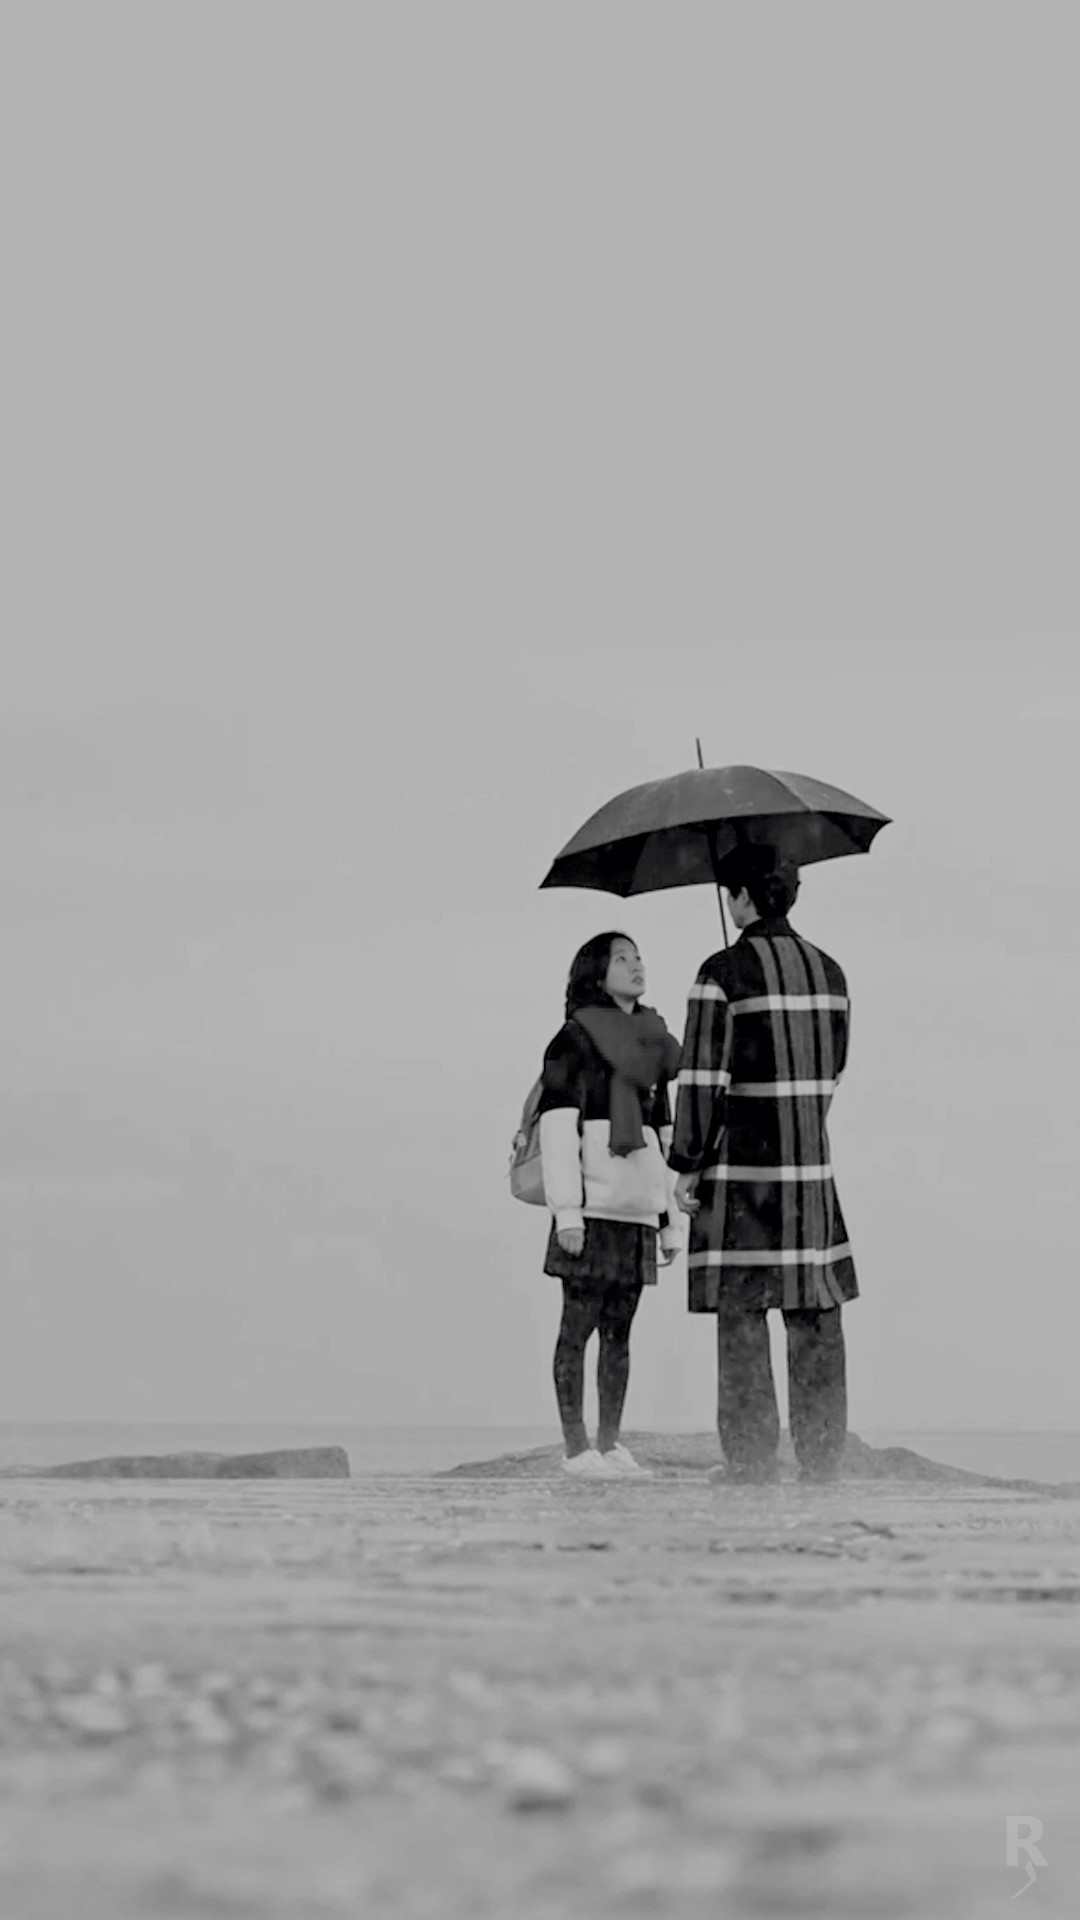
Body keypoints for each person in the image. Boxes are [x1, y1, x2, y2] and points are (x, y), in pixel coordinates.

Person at [669, 849, 856, 1484]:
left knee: (742, 1313)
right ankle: (822, 1455)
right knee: (815, 1313)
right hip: (808, 1168)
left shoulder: (721, 972)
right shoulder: (831, 972)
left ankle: (750, 1462)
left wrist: (687, 1164)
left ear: (744, 896)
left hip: (743, 1171)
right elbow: (836, 1066)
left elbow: (700, 1081)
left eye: (731, 891)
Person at [538, 932, 683, 1479]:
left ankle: (611, 1442)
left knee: (620, 1333)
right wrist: (567, 1213)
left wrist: (669, 1221)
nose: (636, 965)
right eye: (621, 958)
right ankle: (577, 1449)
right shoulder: (573, 1039)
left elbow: (664, 1134)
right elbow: (557, 1129)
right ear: (597, 973)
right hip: (590, 1208)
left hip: (638, 1208)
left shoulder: (655, 1043)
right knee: (577, 1328)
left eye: (639, 956)